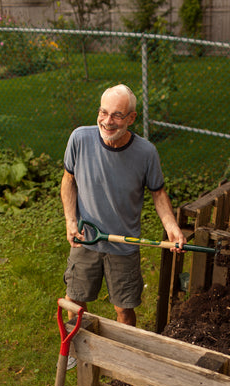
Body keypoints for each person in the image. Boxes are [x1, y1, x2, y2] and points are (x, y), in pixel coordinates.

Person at [61, 84, 186, 365]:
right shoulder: (79, 139)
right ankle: (74, 348)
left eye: (117, 115)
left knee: (124, 309)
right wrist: (70, 221)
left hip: (124, 244)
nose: (107, 121)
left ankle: (123, 359)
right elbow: (68, 180)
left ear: (131, 118)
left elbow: (158, 193)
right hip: (87, 238)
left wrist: (172, 226)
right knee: (76, 299)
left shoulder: (146, 153)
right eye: (103, 113)